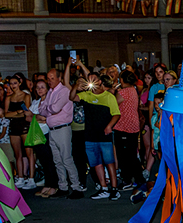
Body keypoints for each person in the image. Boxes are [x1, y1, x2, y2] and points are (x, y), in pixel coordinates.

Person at [71, 70, 122, 200]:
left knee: (109, 162)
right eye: (89, 80)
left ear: (99, 81)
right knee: (96, 163)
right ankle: (103, 188)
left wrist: (109, 126)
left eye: (94, 79)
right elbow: (72, 98)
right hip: (90, 134)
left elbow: (116, 114)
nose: (91, 82)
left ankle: (114, 189)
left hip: (104, 134)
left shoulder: (108, 96)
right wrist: (76, 86)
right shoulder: (86, 95)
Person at [43, 65, 84, 199]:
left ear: (59, 78)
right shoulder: (50, 91)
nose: (49, 81)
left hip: (62, 129)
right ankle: (63, 186)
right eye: (48, 79)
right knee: (57, 160)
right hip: (52, 129)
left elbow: (54, 108)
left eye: (52, 78)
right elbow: (42, 109)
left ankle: (76, 187)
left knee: (66, 159)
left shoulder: (64, 91)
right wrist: (49, 109)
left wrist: (48, 109)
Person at [114, 70, 143, 189]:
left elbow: (114, 104)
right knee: (132, 155)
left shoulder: (123, 92)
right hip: (133, 126)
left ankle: (128, 179)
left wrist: (114, 92)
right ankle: (138, 179)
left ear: (122, 80)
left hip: (123, 126)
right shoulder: (133, 90)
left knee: (124, 156)